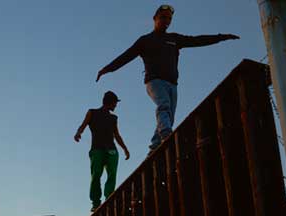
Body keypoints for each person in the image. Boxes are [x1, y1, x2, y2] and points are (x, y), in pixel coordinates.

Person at [96, 4, 239, 151]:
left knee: (169, 117)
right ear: (155, 18)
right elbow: (125, 57)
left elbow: (197, 40)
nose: (166, 21)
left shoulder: (174, 38)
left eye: (169, 19)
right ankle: (166, 134)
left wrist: (222, 37)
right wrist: (106, 69)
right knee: (163, 106)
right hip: (154, 82)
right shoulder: (145, 40)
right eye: (163, 18)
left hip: (172, 84)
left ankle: (154, 147)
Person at [75, 91, 130, 212]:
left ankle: (109, 198)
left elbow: (117, 135)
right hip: (97, 150)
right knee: (96, 174)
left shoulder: (113, 118)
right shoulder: (92, 113)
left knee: (112, 174)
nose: (116, 106)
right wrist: (78, 133)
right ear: (110, 102)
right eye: (115, 103)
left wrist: (125, 148)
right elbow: (83, 125)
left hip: (111, 150)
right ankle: (96, 202)